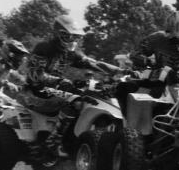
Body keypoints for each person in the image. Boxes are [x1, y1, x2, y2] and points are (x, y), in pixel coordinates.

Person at [20, 15, 122, 157]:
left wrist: (119, 71)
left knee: (89, 98)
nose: (72, 40)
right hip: (35, 91)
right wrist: (60, 81)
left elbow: (93, 63)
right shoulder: (44, 48)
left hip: (53, 91)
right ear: (58, 34)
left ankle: (74, 139)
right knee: (76, 101)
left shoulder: (70, 53)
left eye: (74, 36)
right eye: (68, 36)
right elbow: (36, 75)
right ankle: (52, 142)